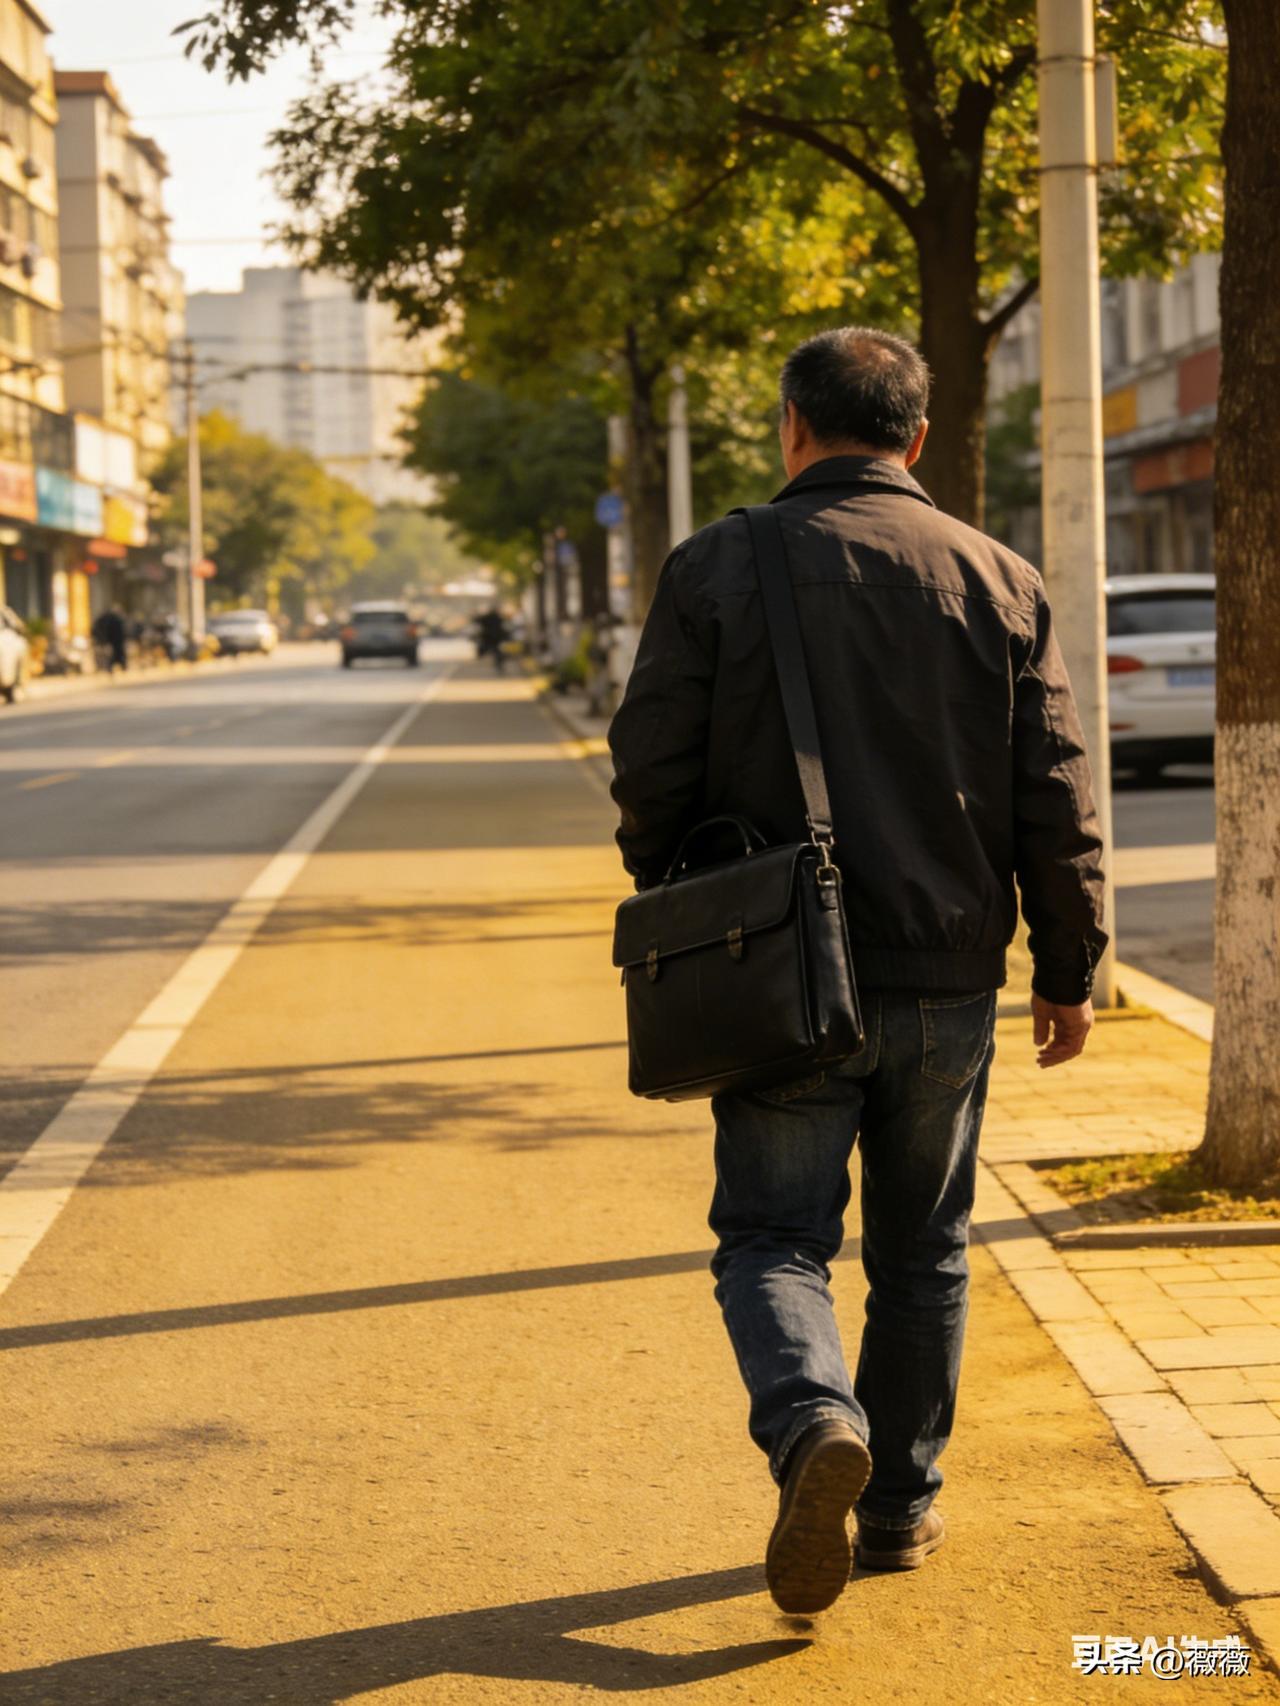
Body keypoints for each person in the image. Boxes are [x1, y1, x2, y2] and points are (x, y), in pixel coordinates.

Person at [607, 327, 1107, 1617]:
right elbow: (1052, 788)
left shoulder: (718, 561)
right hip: (947, 977)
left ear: (790, 426)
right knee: (924, 1247)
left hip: (775, 970)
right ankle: (894, 1508)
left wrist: (676, 887)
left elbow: (651, 757)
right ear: (917, 437)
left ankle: (810, 1420)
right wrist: (1068, 964)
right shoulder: (998, 574)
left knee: (774, 1234)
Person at [91, 605, 127, 673]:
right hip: (112, 641)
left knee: (110, 656)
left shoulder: (105, 620)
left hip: (108, 641)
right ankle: (116, 667)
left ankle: (111, 668)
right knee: (112, 656)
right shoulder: (112, 620)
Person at [474, 605, 511, 672]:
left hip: (489, 636)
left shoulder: (487, 617)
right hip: (496, 637)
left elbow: (477, 621)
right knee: (497, 650)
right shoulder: (498, 618)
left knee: (490, 648)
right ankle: (498, 662)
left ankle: (497, 661)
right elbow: (505, 624)